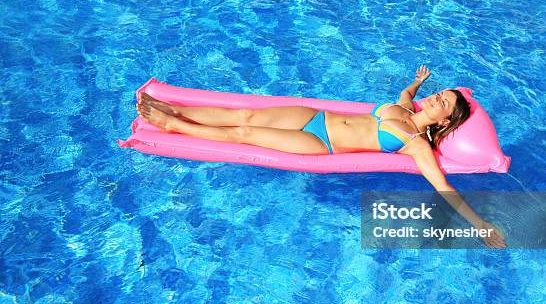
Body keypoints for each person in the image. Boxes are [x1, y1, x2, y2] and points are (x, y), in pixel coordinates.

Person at [136, 65, 506, 248]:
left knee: (243, 135)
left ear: (445, 120)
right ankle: (171, 106)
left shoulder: (416, 144)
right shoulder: (404, 107)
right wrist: (417, 82)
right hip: (314, 117)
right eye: (440, 93)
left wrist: (480, 225)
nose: (437, 97)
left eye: (443, 102)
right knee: (242, 115)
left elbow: (443, 187)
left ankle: (172, 125)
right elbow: (404, 93)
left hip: (320, 144)